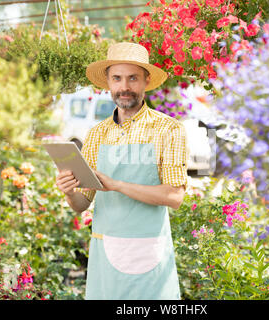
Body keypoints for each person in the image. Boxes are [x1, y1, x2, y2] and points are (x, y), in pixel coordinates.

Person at [55, 42, 188, 300]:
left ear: (146, 81)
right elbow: (83, 203)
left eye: (132, 78)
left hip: (150, 254)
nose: (124, 87)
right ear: (107, 82)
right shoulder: (96, 134)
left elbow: (174, 197)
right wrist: (70, 192)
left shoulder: (168, 130)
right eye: (117, 78)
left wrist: (117, 185)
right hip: (106, 254)